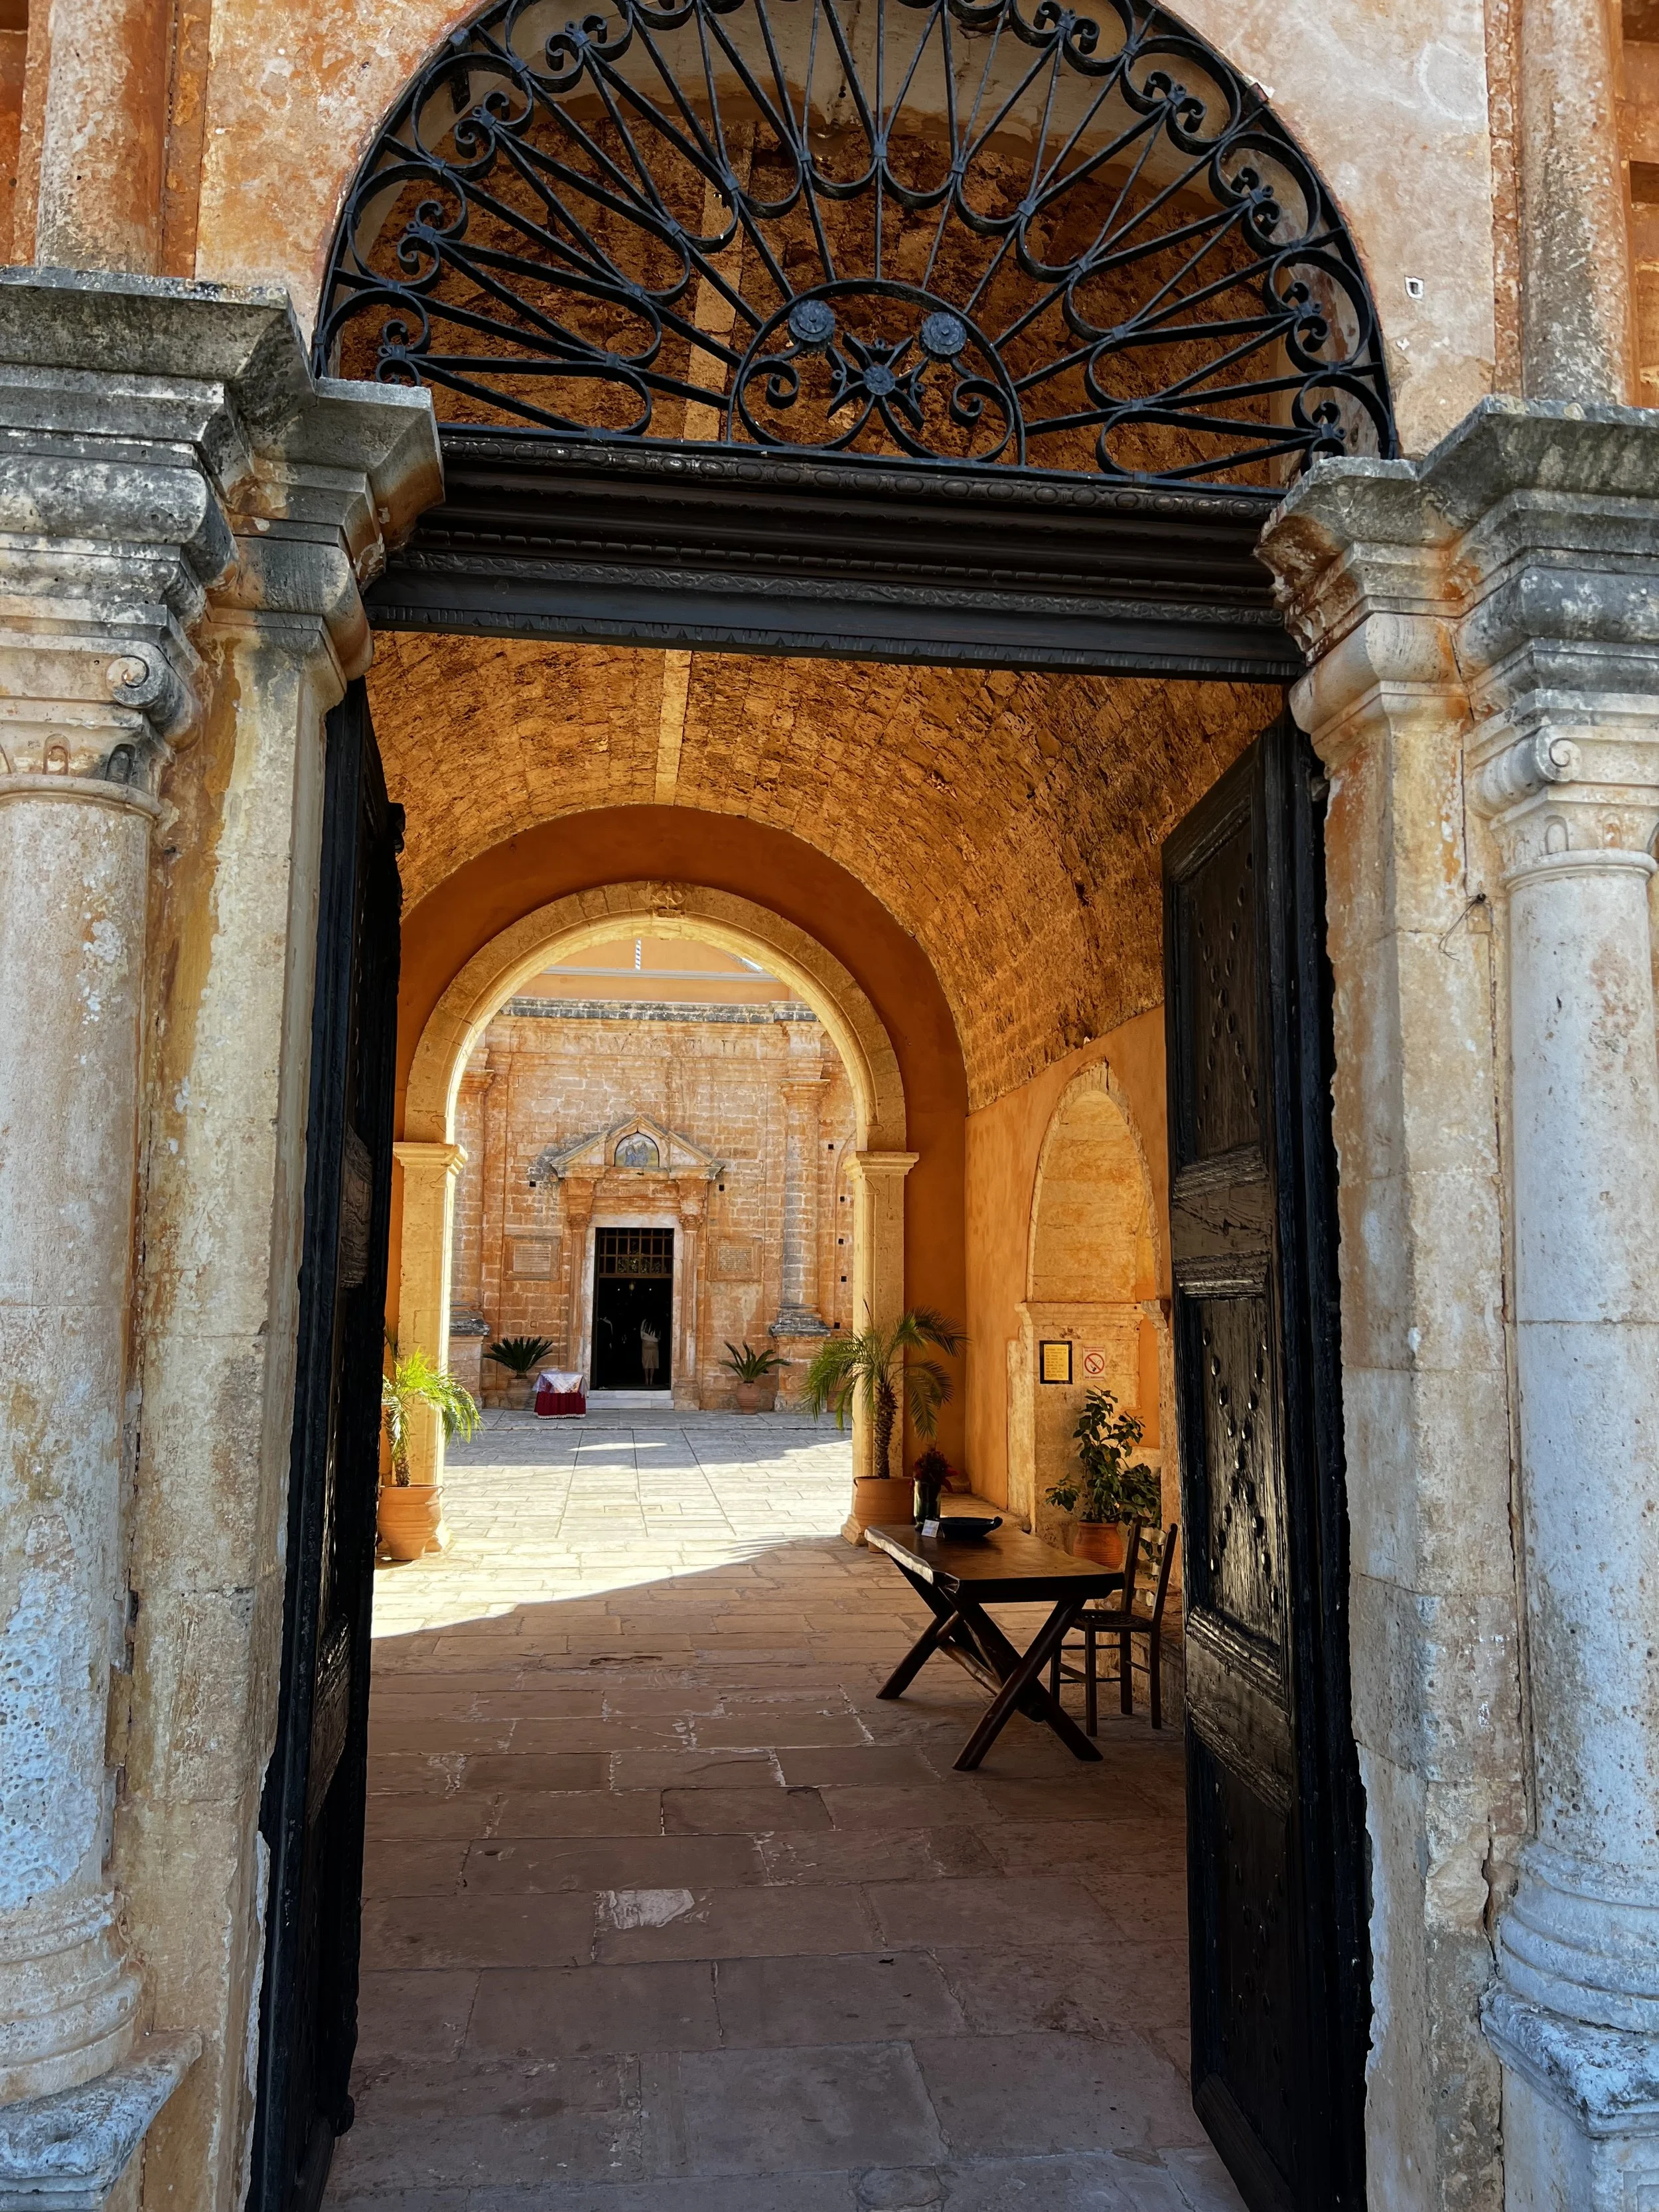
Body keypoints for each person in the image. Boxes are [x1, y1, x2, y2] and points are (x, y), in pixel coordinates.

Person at [640, 1320, 660, 1386]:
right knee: (653, 1362)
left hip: (646, 1342)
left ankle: (646, 1380)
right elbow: (659, 1334)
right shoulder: (657, 1322)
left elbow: (641, 1332)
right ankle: (651, 1380)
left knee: (646, 1361)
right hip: (655, 1342)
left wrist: (643, 1339)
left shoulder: (645, 1321)